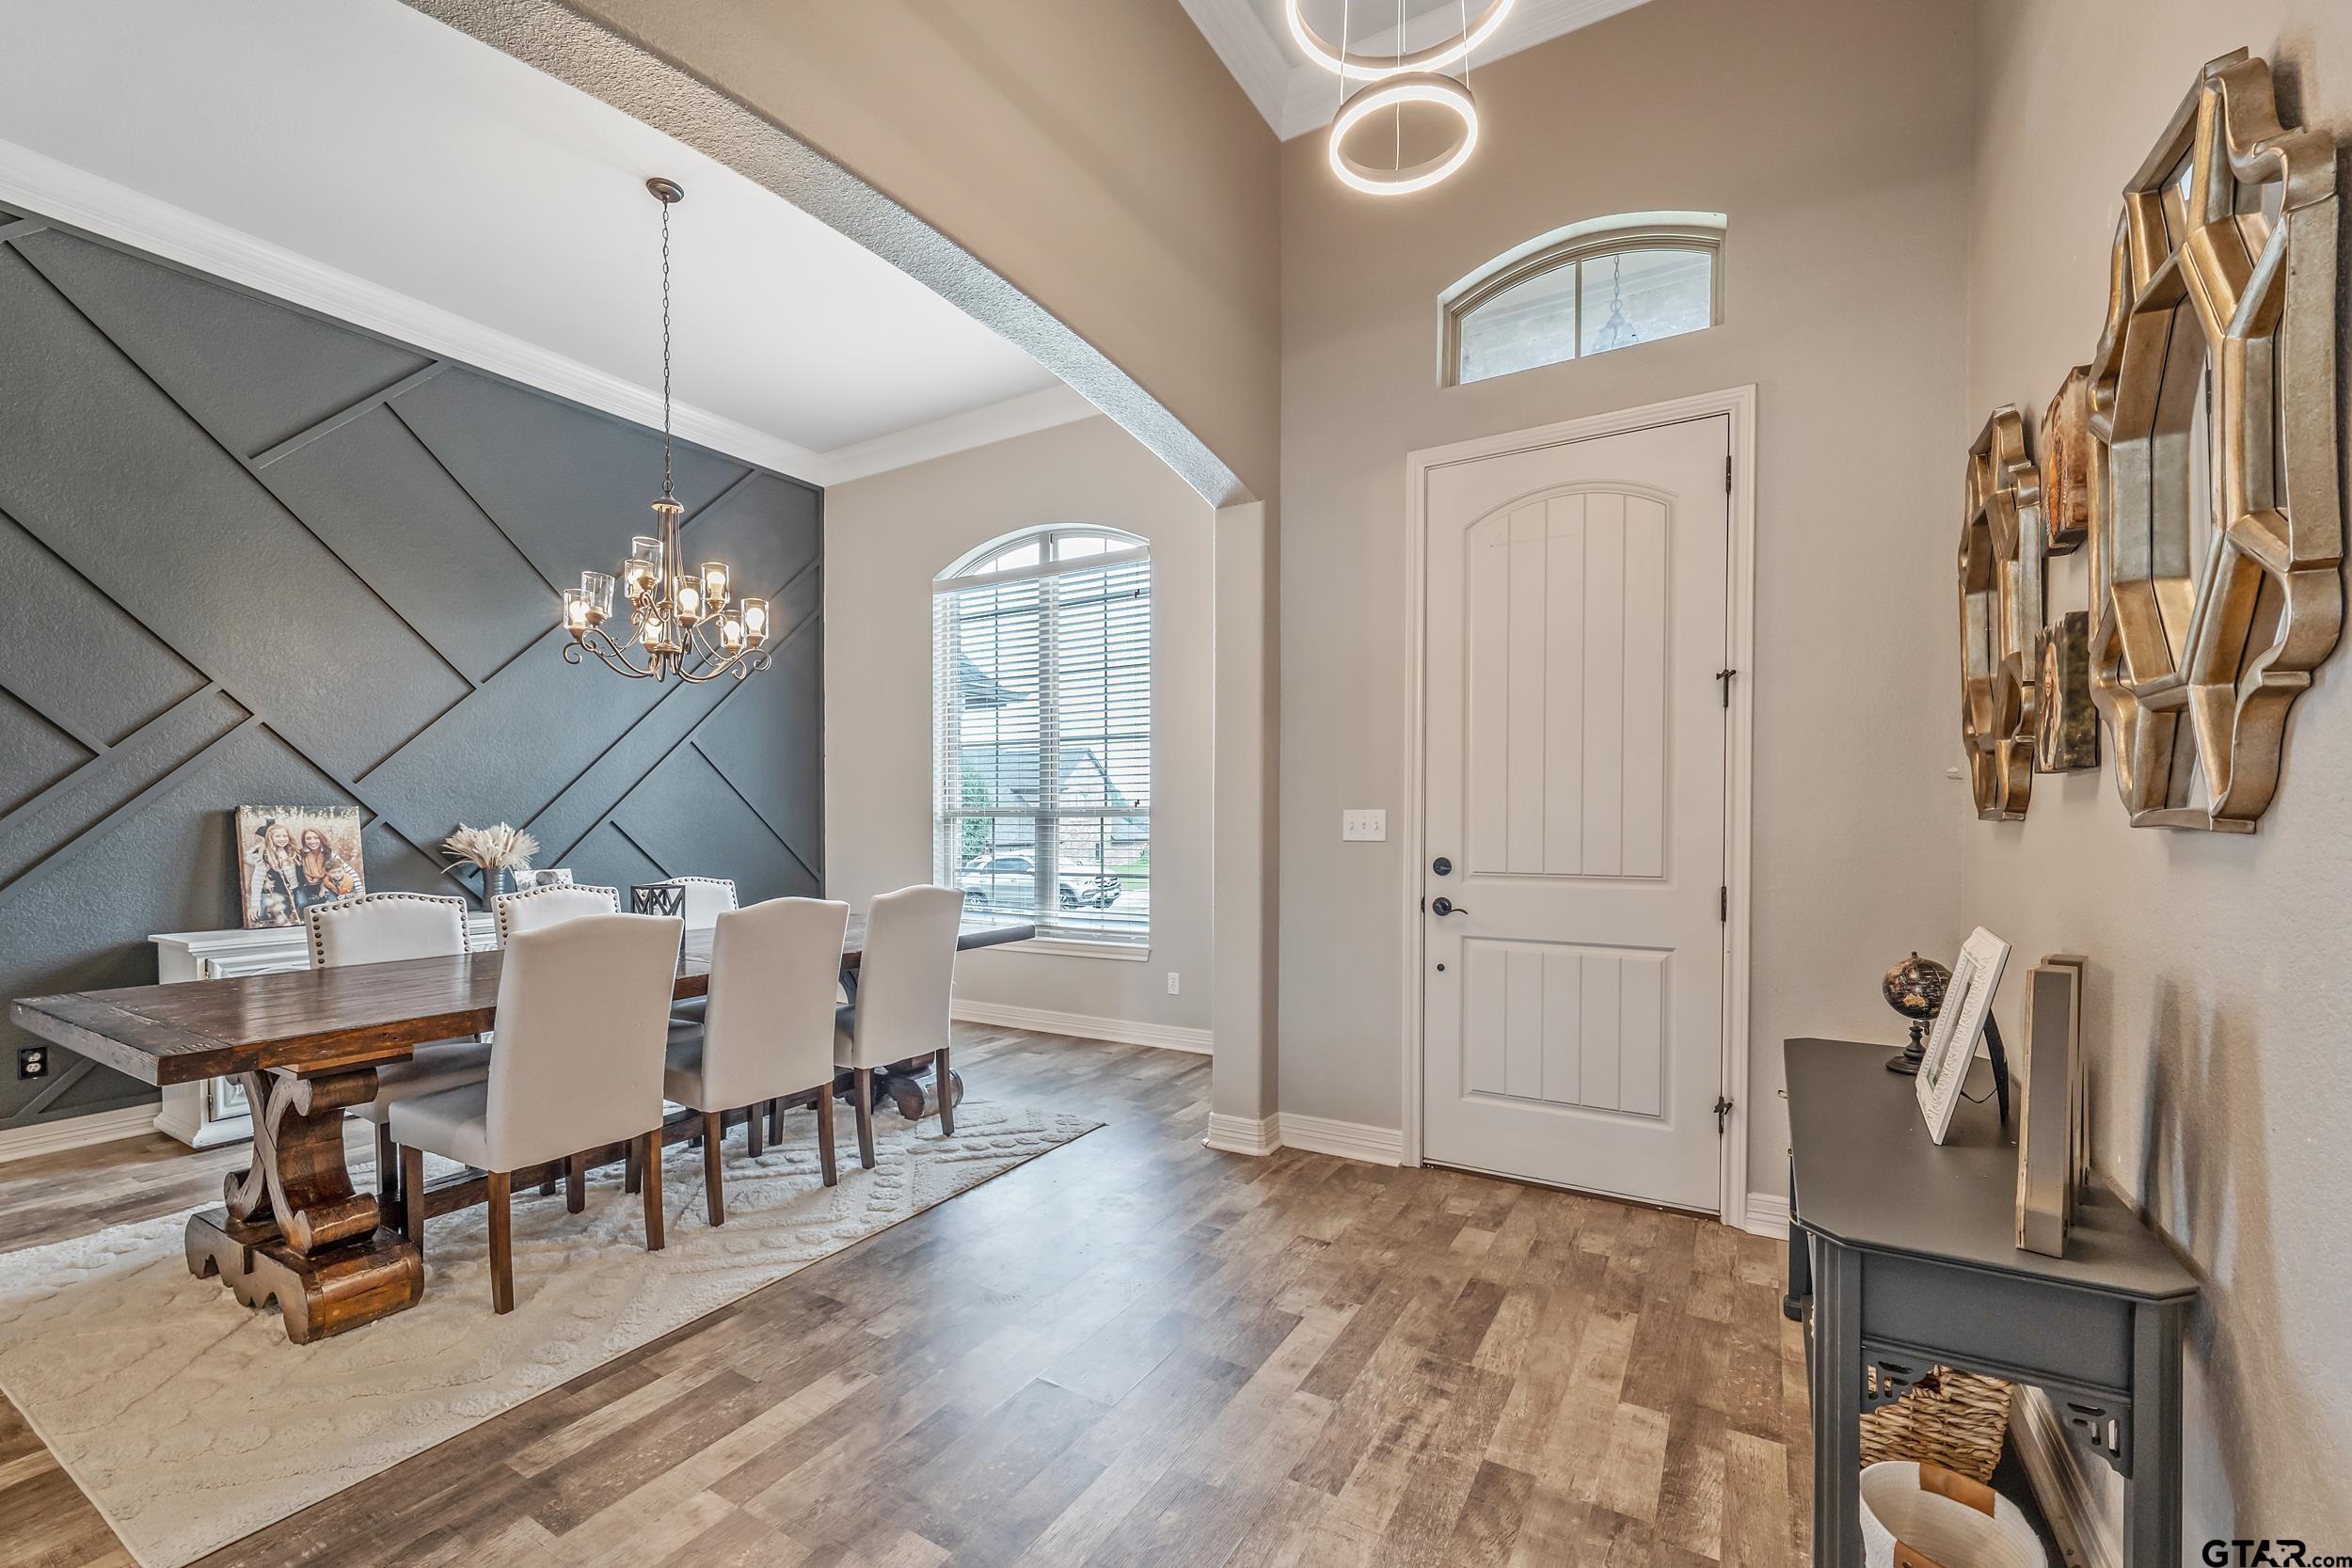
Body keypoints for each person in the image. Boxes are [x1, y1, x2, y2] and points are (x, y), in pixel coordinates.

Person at [243, 818, 301, 927]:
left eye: (284, 836)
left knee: (290, 913)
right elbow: (257, 880)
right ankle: (266, 911)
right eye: (278, 836)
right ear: (270, 838)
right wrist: (255, 903)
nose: (282, 839)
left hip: (293, 891)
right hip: (277, 892)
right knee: (259, 915)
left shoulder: (293, 853)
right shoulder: (266, 857)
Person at [295, 825, 360, 911]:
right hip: (305, 887)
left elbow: (350, 871)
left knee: (331, 903)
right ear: (304, 841)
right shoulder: (300, 855)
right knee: (302, 904)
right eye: (308, 838)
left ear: (321, 839)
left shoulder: (329, 855)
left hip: (325, 885)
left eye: (316, 838)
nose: (312, 841)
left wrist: (360, 890)